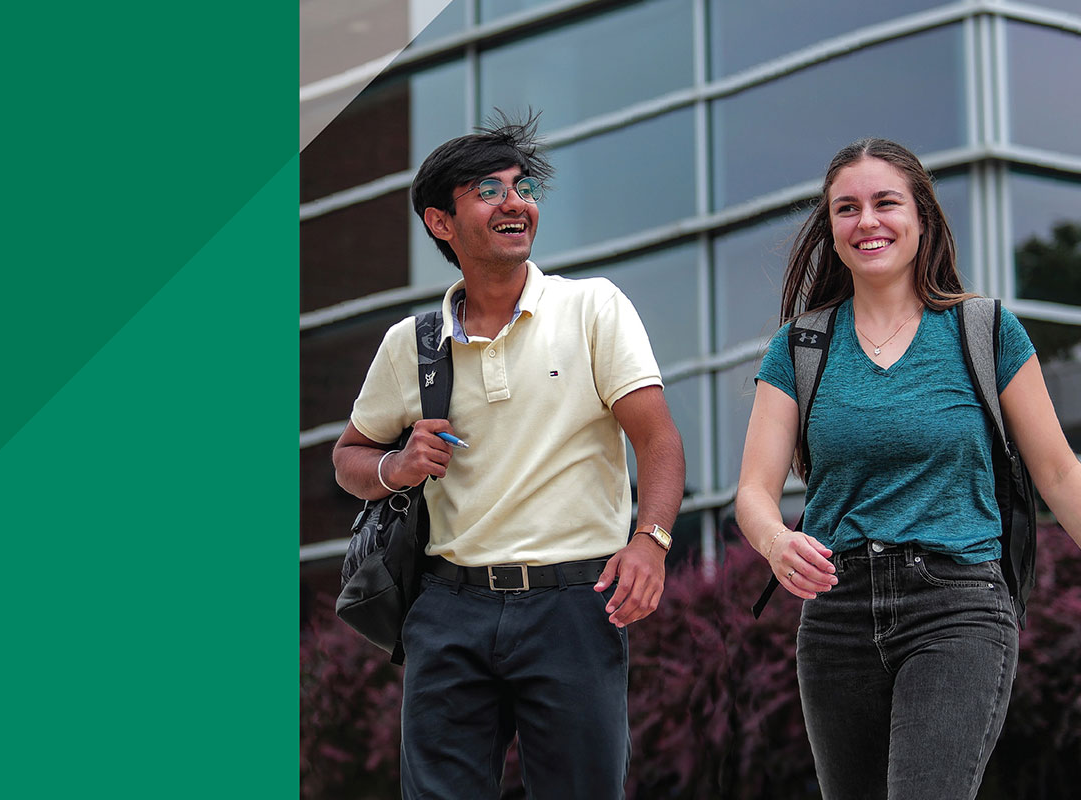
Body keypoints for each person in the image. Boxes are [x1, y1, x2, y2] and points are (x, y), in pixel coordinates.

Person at [332, 114, 685, 799]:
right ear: (442, 222)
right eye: (488, 191)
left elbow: (658, 439)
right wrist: (393, 468)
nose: (515, 202)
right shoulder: (413, 343)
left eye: (521, 187)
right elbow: (349, 455)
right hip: (446, 610)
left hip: (576, 607)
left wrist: (652, 541)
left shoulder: (592, 308)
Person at [736, 137, 1081, 800]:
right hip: (836, 615)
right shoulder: (802, 345)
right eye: (847, 209)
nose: (866, 221)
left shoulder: (984, 330)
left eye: (885, 203)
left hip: (955, 604)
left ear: (921, 219)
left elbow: (1061, 476)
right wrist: (777, 543)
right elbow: (754, 489)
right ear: (831, 229)